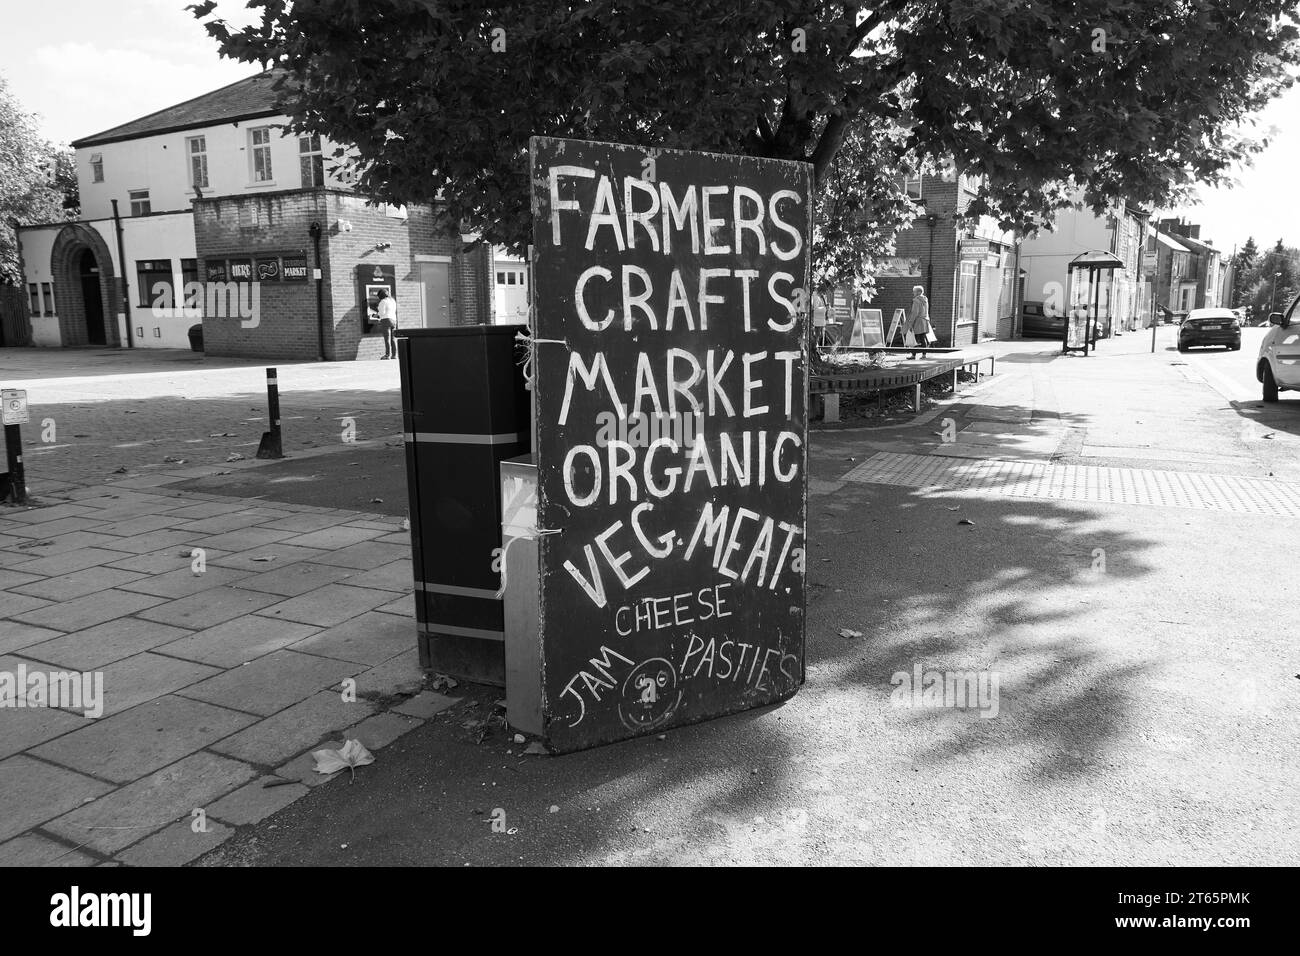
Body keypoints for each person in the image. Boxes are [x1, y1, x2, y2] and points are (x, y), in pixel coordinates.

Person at [907, 285, 934, 358]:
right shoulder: (925, 299)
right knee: (923, 337)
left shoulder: (916, 300)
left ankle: (913, 355)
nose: (913, 293)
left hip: (918, 321)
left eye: (914, 292)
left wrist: (911, 323)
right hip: (925, 320)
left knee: (915, 338)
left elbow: (914, 313)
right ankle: (924, 354)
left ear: (918, 292)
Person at [376, 289, 398, 359]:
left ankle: (387, 355)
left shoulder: (383, 301)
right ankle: (394, 355)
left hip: (386, 320)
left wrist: (374, 315)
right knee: (393, 339)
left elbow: (381, 313)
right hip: (394, 321)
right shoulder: (393, 301)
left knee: (387, 339)